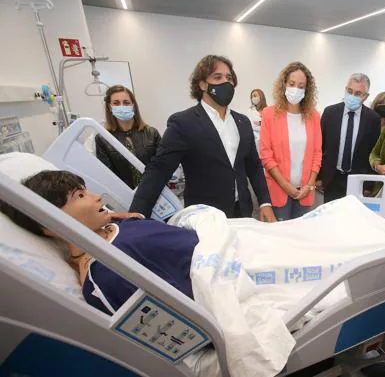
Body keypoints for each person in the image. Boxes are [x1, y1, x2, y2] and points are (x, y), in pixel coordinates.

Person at [0, 170, 182, 315]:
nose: (97, 197)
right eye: (80, 195)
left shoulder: (121, 223)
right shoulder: (106, 274)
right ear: (49, 223)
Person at [129, 55, 276, 221]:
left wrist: (265, 202)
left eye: (229, 78)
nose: (226, 83)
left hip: (242, 211)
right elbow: (159, 169)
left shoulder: (242, 122)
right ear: (202, 84)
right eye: (217, 77)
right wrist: (138, 212)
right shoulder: (183, 123)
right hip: (205, 216)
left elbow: (254, 166)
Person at [259, 62, 321, 221]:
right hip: (278, 190)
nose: (296, 89)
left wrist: (310, 185)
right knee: (279, 238)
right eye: (292, 84)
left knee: (301, 238)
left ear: (307, 90)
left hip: (305, 192)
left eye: (301, 86)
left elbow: (317, 154)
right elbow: (266, 155)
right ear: (284, 84)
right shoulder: (269, 114)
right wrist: (286, 186)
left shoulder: (313, 116)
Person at [319, 73, 381, 203]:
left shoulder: (373, 119)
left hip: (358, 181)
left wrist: (368, 185)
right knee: (330, 219)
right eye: (349, 91)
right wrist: (319, 177)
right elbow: (320, 146)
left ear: (365, 96)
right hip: (332, 178)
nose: (352, 96)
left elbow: (374, 153)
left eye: (358, 93)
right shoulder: (330, 113)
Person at [95, 85, 161, 189]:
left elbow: (162, 167)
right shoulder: (103, 139)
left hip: (155, 192)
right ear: (110, 107)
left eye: (126, 102)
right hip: (125, 196)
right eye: (116, 103)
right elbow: (108, 176)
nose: (121, 106)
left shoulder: (152, 133)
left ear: (133, 105)